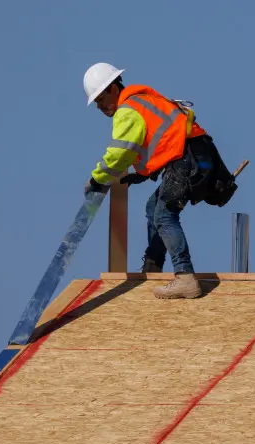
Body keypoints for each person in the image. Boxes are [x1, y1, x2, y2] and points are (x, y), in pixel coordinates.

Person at [82, 62, 207, 299]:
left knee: (163, 214)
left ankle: (185, 277)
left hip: (188, 158)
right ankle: (153, 265)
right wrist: (142, 174)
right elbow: (163, 140)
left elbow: (120, 153)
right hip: (192, 155)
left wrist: (98, 179)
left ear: (113, 88)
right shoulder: (141, 103)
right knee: (153, 207)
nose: (99, 106)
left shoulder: (127, 110)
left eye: (100, 99)